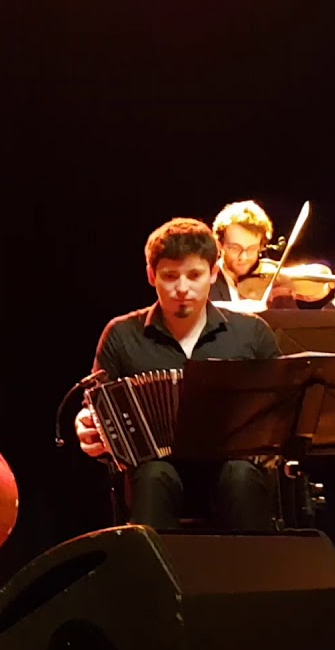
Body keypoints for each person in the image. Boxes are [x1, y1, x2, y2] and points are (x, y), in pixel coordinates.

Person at [75, 217, 283, 531]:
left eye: (195, 275)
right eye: (170, 276)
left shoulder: (251, 333)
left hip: (236, 473)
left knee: (240, 475)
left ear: (213, 273)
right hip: (154, 477)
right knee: (155, 474)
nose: (182, 288)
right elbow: (100, 412)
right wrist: (90, 428)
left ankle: (249, 575)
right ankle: (151, 578)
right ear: (151, 275)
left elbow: (283, 409)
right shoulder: (121, 335)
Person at [210, 200, 335, 311]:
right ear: (219, 245)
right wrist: (238, 308)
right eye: (235, 248)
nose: (243, 257)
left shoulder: (276, 288)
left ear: (261, 246)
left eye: (251, 249)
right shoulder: (207, 281)